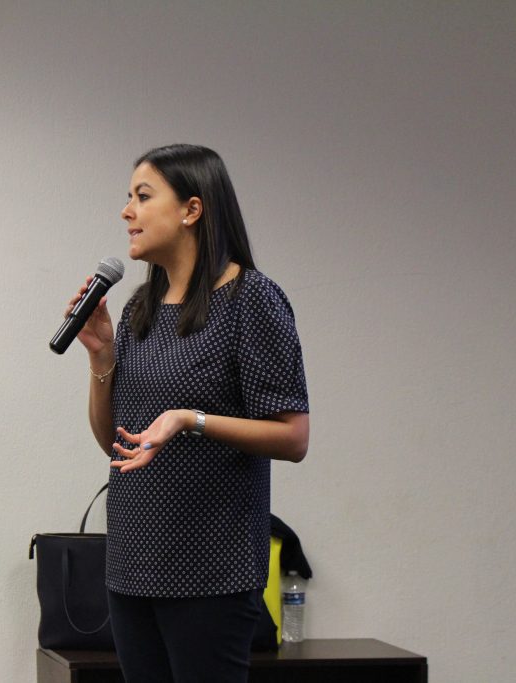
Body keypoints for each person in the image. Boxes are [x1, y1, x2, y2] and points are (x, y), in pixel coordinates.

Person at [66, 144, 310, 683]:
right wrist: (102, 358)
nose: (126, 211)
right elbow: (116, 445)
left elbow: (293, 437)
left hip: (211, 569)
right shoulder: (140, 307)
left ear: (191, 210)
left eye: (142, 196)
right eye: (128, 198)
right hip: (132, 562)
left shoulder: (251, 299)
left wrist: (190, 419)